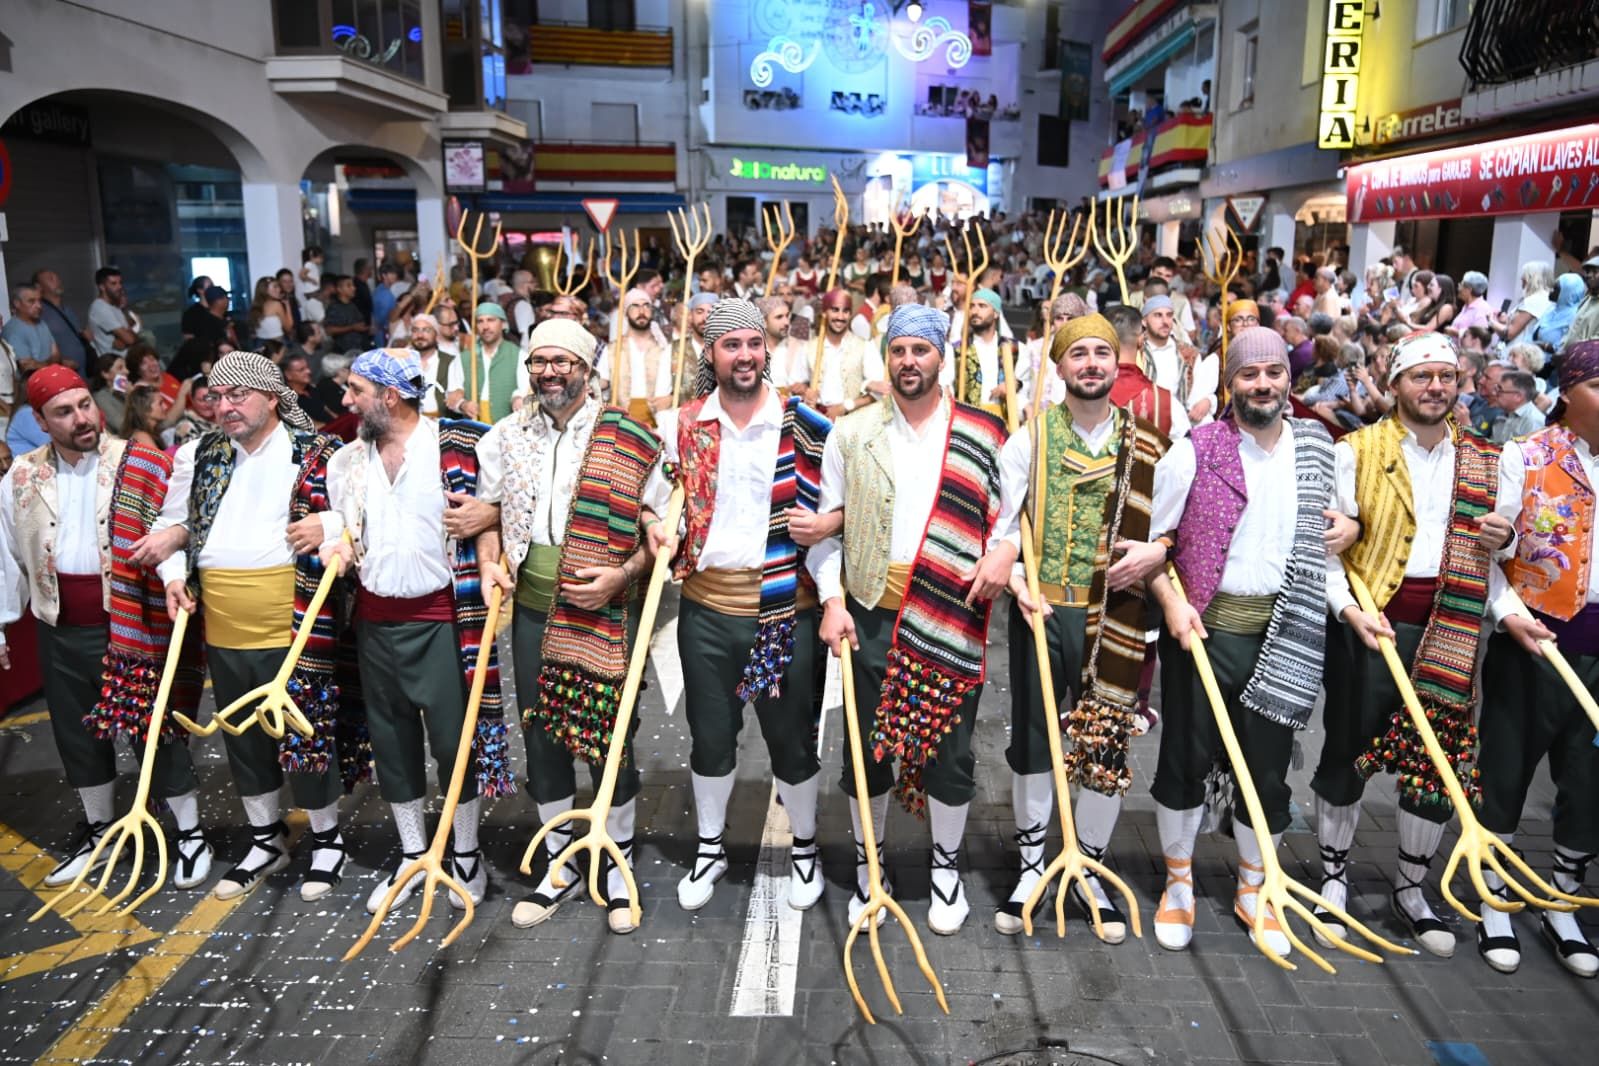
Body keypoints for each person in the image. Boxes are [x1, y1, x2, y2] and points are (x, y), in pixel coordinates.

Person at [1141, 326, 1351, 957]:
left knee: (1266, 770)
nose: (1263, 384)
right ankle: (1178, 883)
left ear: (1290, 378)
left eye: (1273, 372)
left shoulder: (1317, 448)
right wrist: (1172, 606)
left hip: (1286, 634)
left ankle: (1256, 887)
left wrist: (1353, 527)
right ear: (1229, 383)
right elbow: (1153, 548)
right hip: (1202, 632)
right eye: (1248, 374)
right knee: (1183, 760)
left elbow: (1333, 538)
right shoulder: (1193, 451)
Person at [810, 304, 1009, 935]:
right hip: (871, 613)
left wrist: (1005, 550)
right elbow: (826, 530)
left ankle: (945, 868)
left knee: (950, 752)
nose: (908, 361)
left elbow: (1011, 516)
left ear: (940, 356)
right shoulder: (851, 433)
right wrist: (832, 600)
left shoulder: (984, 432)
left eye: (920, 350)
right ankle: (871, 866)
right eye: (898, 351)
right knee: (866, 752)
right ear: (886, 358)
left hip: (953, 614)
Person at [639, 301, 833, 915]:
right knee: (710, 737)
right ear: (711, 354)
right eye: (731, 345)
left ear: (765, 350)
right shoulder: (681, 424)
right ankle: (710, 846)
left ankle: (805, 848)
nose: (744, 355)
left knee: (792, 739)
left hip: (786, 608)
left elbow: (837, 510)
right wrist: (651, 523)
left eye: (753, 343)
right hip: (707, 608)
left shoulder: (806, 425)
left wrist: (829, 540)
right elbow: (650, 498)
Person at [475, 320, 667, 934]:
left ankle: (617, 859)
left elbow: (663, 528)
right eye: (539, 361)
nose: (550, 372)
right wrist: (488, 562)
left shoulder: (631, 438)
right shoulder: (504, 437)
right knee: (543, 736)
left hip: (608, 609)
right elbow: (489, 513)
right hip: (533, 610)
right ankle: (559, 864)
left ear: (587, 369)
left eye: (563, 361)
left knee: (611, 735)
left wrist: (623, 574)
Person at [138, 352, 351, 902]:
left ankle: (327, 839)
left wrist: (328, 522)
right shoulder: (198, 453)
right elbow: (174, 522)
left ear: (272, 398)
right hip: (223, 621)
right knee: (242, 735)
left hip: (295, 619)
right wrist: (172, 571)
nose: (225, 406)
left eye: (238, 395)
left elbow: (356, 515)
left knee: (304, 731)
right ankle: (265, 838)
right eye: (217, 396)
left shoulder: (318, 452)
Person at [1317, 332, 1502, 960]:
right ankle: (1334, 878)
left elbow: (1497, 558)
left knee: (1436, 761)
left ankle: (1411, 890)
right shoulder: (1356, 451)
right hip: (1370, 626)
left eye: (1446, 376)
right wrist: (1347, 609)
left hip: (1453, 628)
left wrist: (1507, 574)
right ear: (1394, 383)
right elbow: (1326, 551)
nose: (1435, 387)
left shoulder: (1485, 460)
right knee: (1347, 751)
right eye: (1421, 376)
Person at [990, 313, 1169, 940]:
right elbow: (1006, 527)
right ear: (1060, 366)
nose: (1091, 364)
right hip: (1043, 610)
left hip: (1117, 613)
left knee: (1106, 743)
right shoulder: (1029, 441)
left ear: (1118, 363)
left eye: (1101, 353)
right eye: (1078, 354)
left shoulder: (1152, 445)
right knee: (1035, 742)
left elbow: (1171, 526)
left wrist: (1159, 550)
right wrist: (1018, 584)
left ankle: (1090, 867)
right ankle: (1031, 868)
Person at [0, 366, 209, 889]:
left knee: (153, 728)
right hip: (58, 627)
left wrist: (175, 578)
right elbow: (5, 557)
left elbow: (172, 527)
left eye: (84, 405)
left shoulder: (141, 463)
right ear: (40, 422)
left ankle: (190, 834)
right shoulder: (20, 476)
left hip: (130, 622)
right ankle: (99, 832)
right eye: (64, 412)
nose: (81, 418)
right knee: (76, 735)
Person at [322, 348, 514, 913]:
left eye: (356, 391)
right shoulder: (345, 462)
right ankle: (411, 853)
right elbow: (343, 530)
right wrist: (334, 541)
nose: (346, 401)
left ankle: (466, 853)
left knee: (455, 744)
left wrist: (489, 528)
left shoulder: (461, 446)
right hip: (374, 624)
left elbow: (504, 501)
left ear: (390, 396)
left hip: (443, 622)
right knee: (392, 745)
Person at [1477, 340, 1599, 977]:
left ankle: (1564, 900)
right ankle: (1493, 896)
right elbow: (1490, 551)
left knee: (1587, 779)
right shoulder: (1526, 456)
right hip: (1534, 640)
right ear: (1568, 393)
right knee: (1506, 767)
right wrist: (1506, 611)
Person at [799, 289, 885, 417]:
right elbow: (797, 385)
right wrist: (805, 392)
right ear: (824, 313)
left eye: (845, 311)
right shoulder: (809, 347)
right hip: (816, 416)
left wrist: (846, 406)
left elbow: (880, 392)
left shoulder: (865, 346)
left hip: (853, 418)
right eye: (835, 310)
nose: (840, 317)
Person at [597, 289, 673, 425]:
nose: (641, 311)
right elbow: (600, 382)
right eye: (635, 306)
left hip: (658, 420)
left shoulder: (664, 348)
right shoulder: (613, 349)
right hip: (622, 421)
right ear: (626, 312)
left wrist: (671, 399)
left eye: (646, 305)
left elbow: (680, 385)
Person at [1142, 296, 1214, 425]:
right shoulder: (1136, 352)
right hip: (1147, 421)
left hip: (1182, 423)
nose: (1165, 321)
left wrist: (1208, 400)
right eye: (1158, 315)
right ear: (1144, 321)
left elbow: (1200, 391)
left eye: (1169, 315)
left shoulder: (1189, 354)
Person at [452, 302, 530, 424]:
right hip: (473, 428)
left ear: (503, 324)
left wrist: (518, 398)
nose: (485, 326)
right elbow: (452, 394)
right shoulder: (464, 358)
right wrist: (463, 404)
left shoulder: (519, 356)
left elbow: (527, 389)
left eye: (491, 320)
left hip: (507, 428)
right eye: (480, 321)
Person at [952, 288, 1014, 413]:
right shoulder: (957, 350)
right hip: (967, 417)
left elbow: (1025, 385)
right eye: (972, 306)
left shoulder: (1013, 348)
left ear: (996, 313)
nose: (975, 311)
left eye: (982, 306)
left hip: (1003, 418)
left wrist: (1013, 386)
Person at [31, 270, 94, 372]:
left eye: (57, 277)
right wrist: (61, 362)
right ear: (38, 287)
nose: (57, 281)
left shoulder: (68, 310)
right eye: (51, 279)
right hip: (62, 372)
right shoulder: (40, 312)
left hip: (83, 371)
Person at [3, 284, 63, 369]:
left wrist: (41, 364)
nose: (39, 306)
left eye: (39, 301)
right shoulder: (13, 330)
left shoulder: (41, 323)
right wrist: (52, 364)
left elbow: (56, 355)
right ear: (17, 303)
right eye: (31, 301)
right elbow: (27, 368)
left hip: (49, 376)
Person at [1494, 263, 1553, 346]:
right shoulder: (1547, 299)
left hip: (1519, 349)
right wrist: (1507, 321)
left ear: (1533, 278)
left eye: (1525, 275)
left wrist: (1491, 321)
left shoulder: (1534, 300)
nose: (1521, 278)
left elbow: (1509, 333)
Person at [88, 267, 140, 359]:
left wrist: (128, 336)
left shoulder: (113, 306)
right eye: (113, 283)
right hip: (114, 364)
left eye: (120, 283)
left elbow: (129, 338)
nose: (119, 287)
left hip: (126, 361)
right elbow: (130, 340)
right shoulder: (100, 308)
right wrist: (131, 334)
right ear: (102, 287)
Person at [1537, 273, 1588, 353]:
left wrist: (1539, 346)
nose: (1551, 290)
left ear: (1567, 292)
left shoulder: (1575, 315)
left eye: (1555, 288)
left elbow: (1566, 346)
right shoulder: (1552, 308)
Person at [1493, 370, 1546, 442]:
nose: (1494, 393)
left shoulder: (1533, 421)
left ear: (1518, 397)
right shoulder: (1502, 411)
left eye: (1500, 391)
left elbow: (1529, 448)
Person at [1560, 255, 1599, 354]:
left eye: (1595, 272)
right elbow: (1571, 329)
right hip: (1568, 357)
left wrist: (1575, 353)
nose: (1589, 275)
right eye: (1588, 272)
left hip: (1586, 360)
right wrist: (1562, 348)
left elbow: (1595, 342)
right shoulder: (1587, 299)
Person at [323, 275, 371, 353]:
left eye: (353, 285)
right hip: (344, 351)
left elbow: (359, 323)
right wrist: (352, 327)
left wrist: (367, 328)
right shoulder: (335, 307)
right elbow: (329, 330)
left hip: (358, 348)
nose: (353, 288)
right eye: (349, 286)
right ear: (339, 289)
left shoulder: (352, 305)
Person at [121, 383, 170, 450]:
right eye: (160, 403)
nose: (165, 407)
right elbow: (158, 457)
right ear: (146, 409)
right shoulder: (141, 436)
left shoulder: (152, 432)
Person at [247, 278, 290, 347]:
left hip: (260, 345)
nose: (279, 289)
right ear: (265, 290)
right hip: (277, 345)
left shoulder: (255, 307)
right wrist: (287, 305)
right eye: (275, 287)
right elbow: (288, 327)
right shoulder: (276, 304)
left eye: (278, 286)